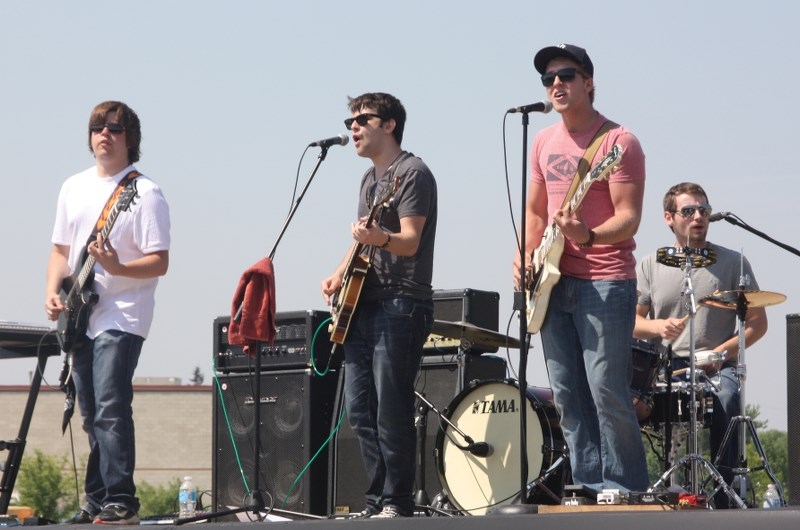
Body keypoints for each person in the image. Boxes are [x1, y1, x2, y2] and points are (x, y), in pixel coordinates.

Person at [513, 43, 649, 492]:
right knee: (568, 394)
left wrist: (588, 236)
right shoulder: (541, 140)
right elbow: (535, 213)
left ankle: (625, 487)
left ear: (589, 82)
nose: (556, 84)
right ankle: (589, 484)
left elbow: (629, 216)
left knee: (606, 390)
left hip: (606, 279)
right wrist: (524, 255)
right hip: (552, 282)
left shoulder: (619, 141)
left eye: (566, 75)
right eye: (548, 78)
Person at [45, 101, 171, 525]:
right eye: (98, 127)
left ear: (129, 138)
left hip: (123, 312)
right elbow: (61, 250)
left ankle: (122, 500)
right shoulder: (72, 187)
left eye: (114, 128)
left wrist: (117, 267)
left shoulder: (145, 193)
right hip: (80, 313)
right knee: (89, 409)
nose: (104, 134)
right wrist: (51, 291)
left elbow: (159, 261)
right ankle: (95, 500)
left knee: (111, 405)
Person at [321, 92, 437, 518]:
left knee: (392, 408)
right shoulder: (370, 180)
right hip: (362, 305)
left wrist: (381, 239)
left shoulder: (413, 173)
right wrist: (338, 272)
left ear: (388, 125)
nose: (353, 128)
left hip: (401, 304)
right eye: (350, 120)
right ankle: (375, 501)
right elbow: (363, 246)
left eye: (362, 120)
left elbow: (409, 241)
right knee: (360, 410)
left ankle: (398, 503)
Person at [634, 182, 767, 506]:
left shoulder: (734, 263)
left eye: (704, 210)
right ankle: (633, 489)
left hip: (718, 365)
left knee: (728, 395)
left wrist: (722, 354)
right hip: (666, 367)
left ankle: (726, 495)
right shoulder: (651, 264)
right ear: (669, 217)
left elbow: (758, 323)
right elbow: (632, 324)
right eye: (689, 211)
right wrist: (657, 326)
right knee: (622, 401)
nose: (698, 217)